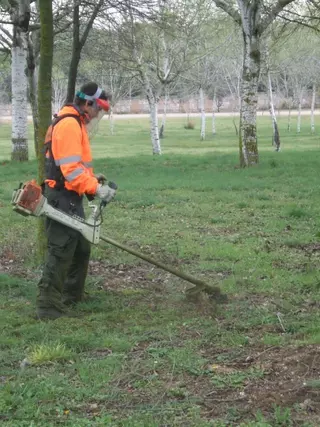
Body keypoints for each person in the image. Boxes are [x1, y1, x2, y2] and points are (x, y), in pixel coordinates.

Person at [36, 82, 116, 320]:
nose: (97, 115)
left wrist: (92, 179)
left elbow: (75, 167)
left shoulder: (75, 121)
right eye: (97, 109)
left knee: (80, 248)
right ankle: (48, 307)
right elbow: (70, 171)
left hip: (69, 195)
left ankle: (71, 296)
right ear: (87, 103)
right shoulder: (70, 124)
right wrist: (96, 189)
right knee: (60, 250)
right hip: (61, 197)